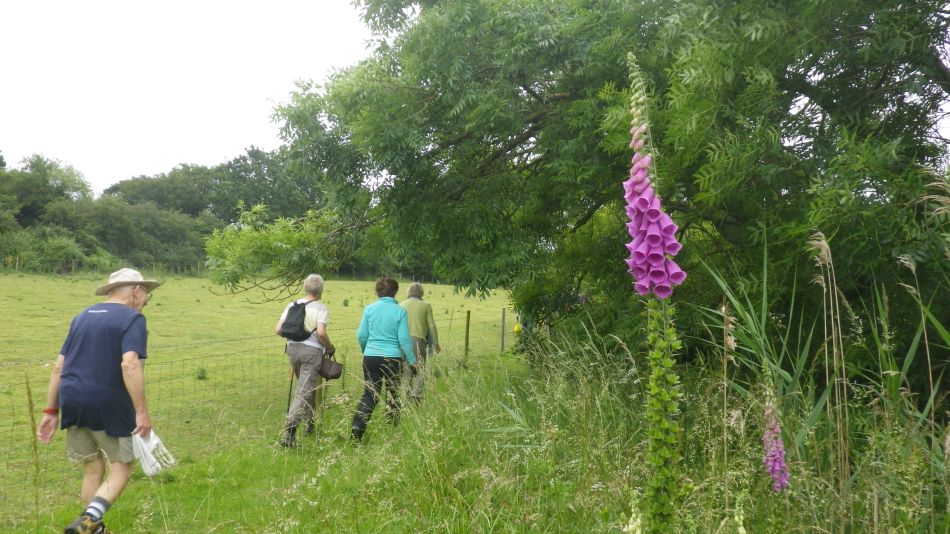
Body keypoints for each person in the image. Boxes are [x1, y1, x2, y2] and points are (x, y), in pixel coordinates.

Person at [37, 268, 160, 534]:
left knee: (92, 467)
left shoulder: (82, 316)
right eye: (146, 297)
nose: (145, 303)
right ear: (136, 291)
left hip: (73, 400)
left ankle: (94, 529)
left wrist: (50, 410)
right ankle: (88, 522)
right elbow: (129, 364)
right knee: (122, 467)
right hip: (109, 404)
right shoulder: (132, 319)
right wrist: (141, 412)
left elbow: (59, 367)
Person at [350, 278, 416, 441]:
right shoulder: (400, 311)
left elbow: (361, 335)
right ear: (395, 292)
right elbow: (404, 339)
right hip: (392, 358)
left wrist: (366, 350)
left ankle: (356, 431)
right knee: (393, 393)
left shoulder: (369, 309)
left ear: (377, 292)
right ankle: (393, 432)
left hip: (371, 356)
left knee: (370, 395)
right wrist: (413, 359)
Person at [274, 274, 334, 448]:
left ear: (305, 288)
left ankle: (310, 422)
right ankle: (289, 432)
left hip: (293, 350)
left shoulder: (292, 305)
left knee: (308, 387)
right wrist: (329, 346)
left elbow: (278, 329)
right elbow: (321, 333)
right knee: (304, 390)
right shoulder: (321, 308)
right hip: (311, 352)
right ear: (320, 290)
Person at [400, 282, 441, 403]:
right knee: (419, 370)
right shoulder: (426, 305)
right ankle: (417, 397)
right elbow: (432, 325)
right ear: (421, 292)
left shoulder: (401, 305)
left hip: (403, 343)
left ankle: (404, 397)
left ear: (408, 292)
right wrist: (436, 343)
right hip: (419, 342)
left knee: (406, 370)